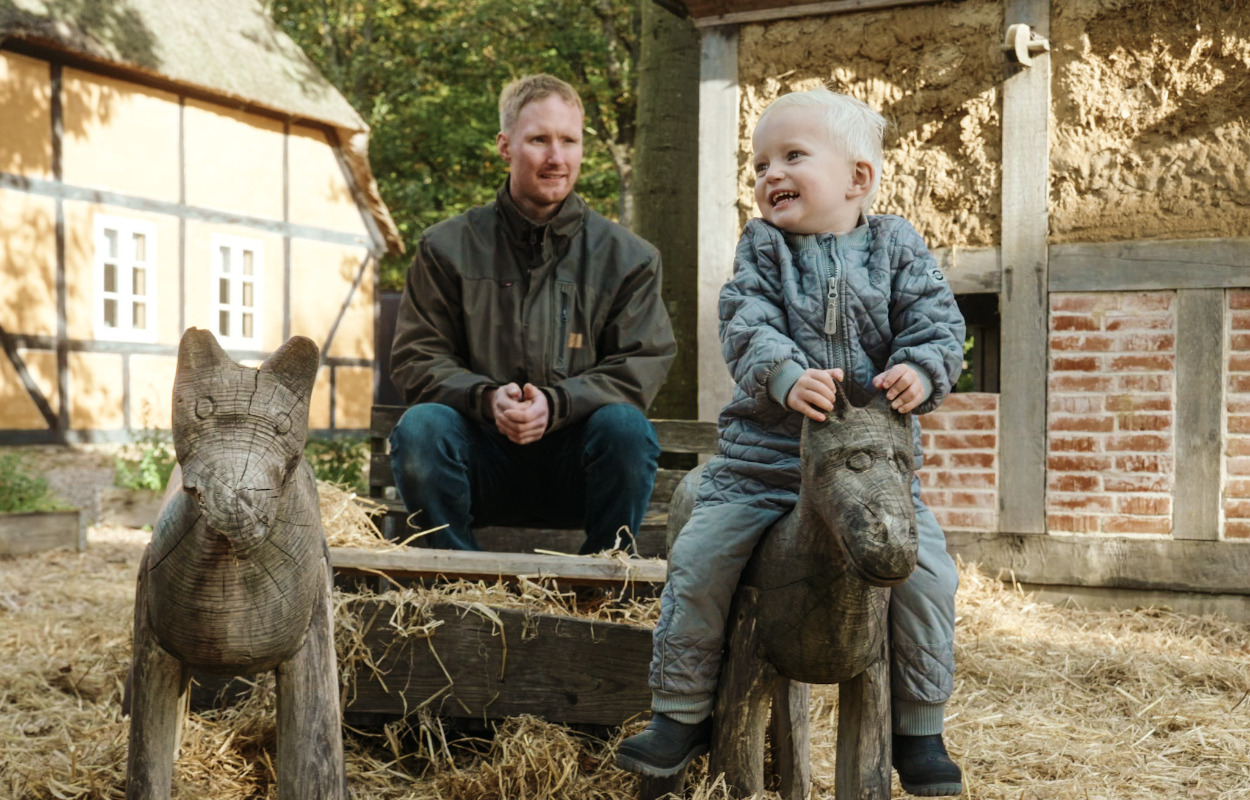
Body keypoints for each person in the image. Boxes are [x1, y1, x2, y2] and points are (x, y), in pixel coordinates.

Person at [615, 88, 967, 796]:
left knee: (929, 574)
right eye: (759, 163)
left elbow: (940, 321)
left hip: (871, 471)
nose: (769, 173)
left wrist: (921, 369)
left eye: (792, 156)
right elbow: (745, 323)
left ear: (857, 179)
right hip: (765, 464)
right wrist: (782, 375)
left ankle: (919, 726)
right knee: (700, 556)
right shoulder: (762, 249)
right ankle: (680, 711)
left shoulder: (897, 248)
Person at [388, 74, 676, 555]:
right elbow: (417, 357)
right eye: (539, 139)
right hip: (479, 462)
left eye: (569, 140)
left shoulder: (630, 258)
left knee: (627, 429)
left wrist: (558, 404)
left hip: (577, 470)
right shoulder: (445, 248)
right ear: (505, 146)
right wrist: (484, 399)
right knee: (421, 428)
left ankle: (602, 587)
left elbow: (641, 362)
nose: (556, 157)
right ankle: (454, 585)